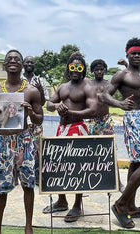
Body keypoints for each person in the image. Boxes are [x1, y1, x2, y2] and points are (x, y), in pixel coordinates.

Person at [99, 37, 140, 228]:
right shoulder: (122, 75)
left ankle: (131, 205)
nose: (137, 56)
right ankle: (120, 204)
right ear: (127, 54)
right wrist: (120, 104)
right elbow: (104, 95)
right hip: (131, 119)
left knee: (137, 163)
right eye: (133, 53)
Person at [0, 49, 43, 234]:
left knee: (28, 185)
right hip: (3, 142)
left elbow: (40, 119)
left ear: (22, 64)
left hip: (24, 140)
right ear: (4, 65)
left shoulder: (31, 91)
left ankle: (28, 226)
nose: (13, 61)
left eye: (17, 59)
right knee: (2, 187)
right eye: (9, 59)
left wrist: (31, 113)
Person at [42, 52, 97, 223]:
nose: (75, 70)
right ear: (68, 68)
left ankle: (77, 205)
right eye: (72, 66)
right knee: (60, 166)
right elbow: (49, 104)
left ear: (83, 69)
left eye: (78, 67)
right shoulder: (62, 87)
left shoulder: (87, 86)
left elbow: (92, 109)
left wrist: (72, 112)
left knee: (79, 168)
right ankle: (61, 200)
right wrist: (57, 105)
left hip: (78, 128)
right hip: (62, 129)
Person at [87, 59, 125, 192]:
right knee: (89, 152)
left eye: (101, 69)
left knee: (111, 151)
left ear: (105, 70)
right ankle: (89, 181)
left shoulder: (109, 84)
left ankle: (118, 182)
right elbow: (70, 76)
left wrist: (126, 65)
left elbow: (123, 77)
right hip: (91, 121)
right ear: (92, 71)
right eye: (96, 69)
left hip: (105, 120)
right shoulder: (88, 83)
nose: (99, 71)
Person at [22, 55, 49, 184]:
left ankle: (37, 177)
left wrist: (40, 91)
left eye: (31, 62)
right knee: (22, 148)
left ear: (34, 65)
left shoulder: (40, 81)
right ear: (23, 64)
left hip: (36, 120)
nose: (29, 64)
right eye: (27, 62)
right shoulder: (18, 80)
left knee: (38, 148)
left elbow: (43, 103)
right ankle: (22, 175)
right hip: (22, 121)